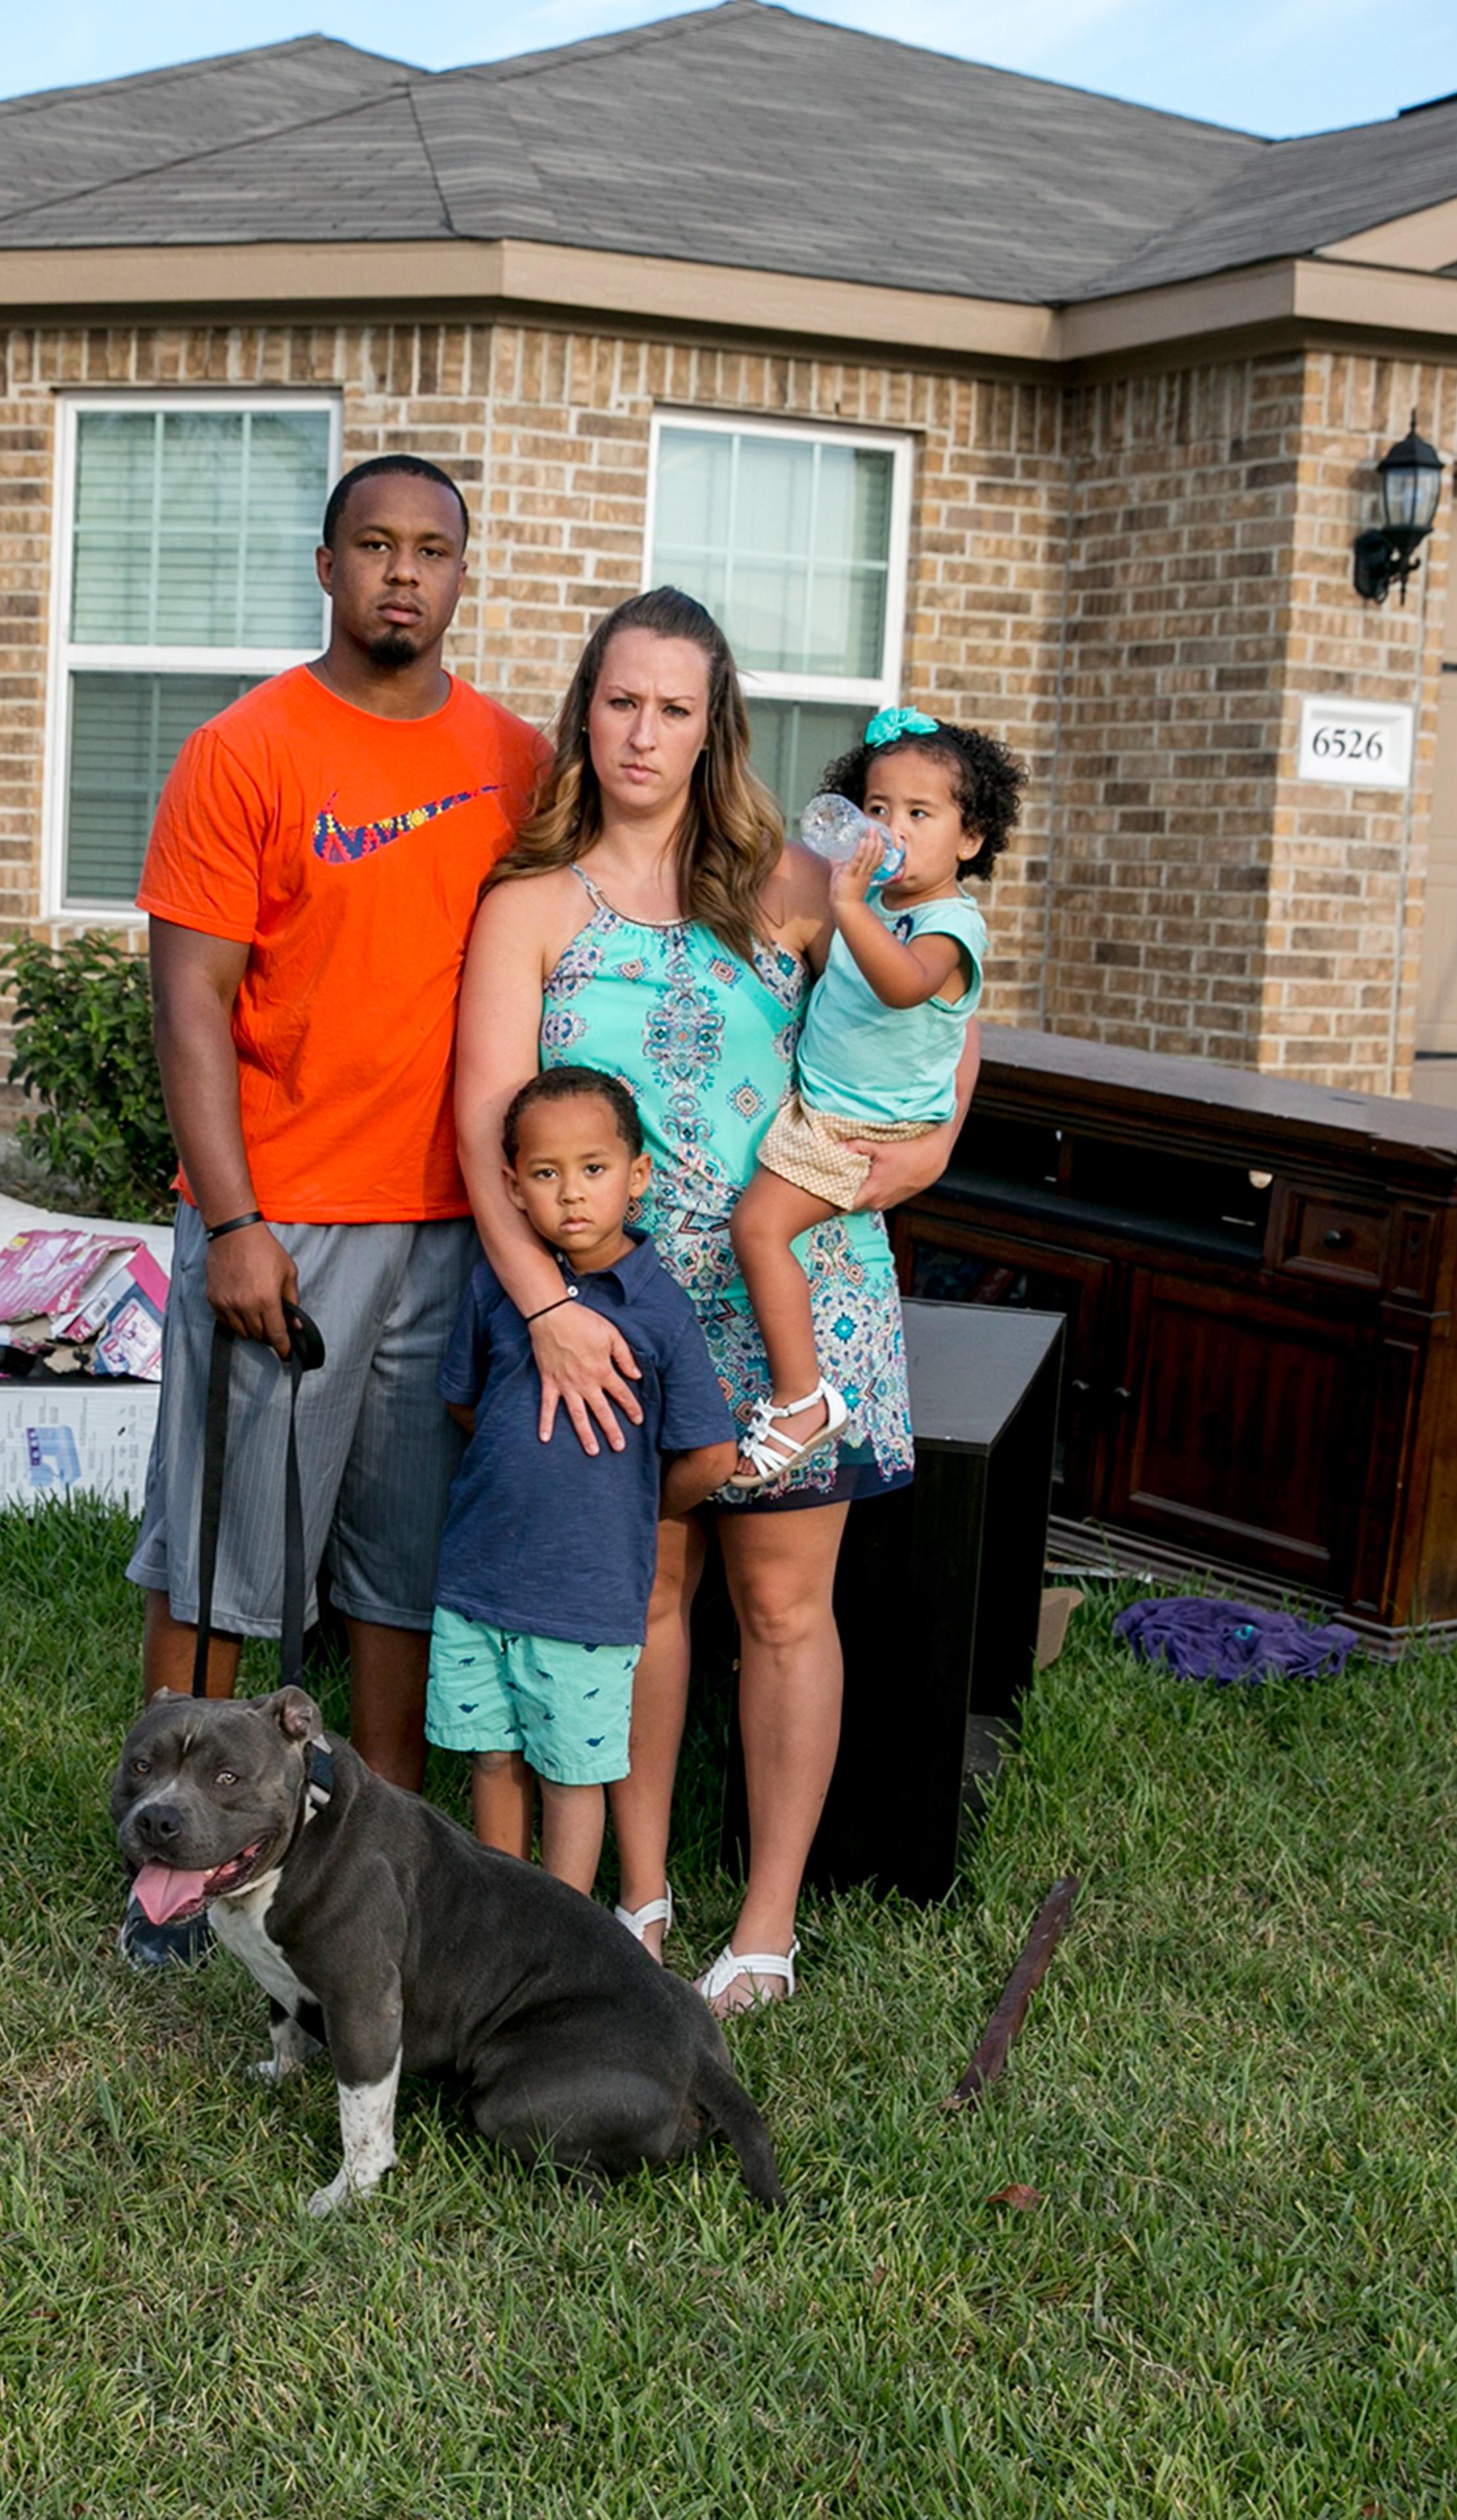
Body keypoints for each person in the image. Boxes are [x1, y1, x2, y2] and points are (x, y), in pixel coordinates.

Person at [453, 586, 975, 2016]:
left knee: (787, 1607)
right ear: (585, 713)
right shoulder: (530, 906)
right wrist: (544, 1309)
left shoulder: (795, 884)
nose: (644, 731)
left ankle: (765, 1928)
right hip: (607, 1317)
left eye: (675, 707)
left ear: (715, 724)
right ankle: (637, 1895)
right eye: (621, 700)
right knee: (639, 1600)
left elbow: (942, 993)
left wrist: (930, 1146)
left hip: (794, 1286)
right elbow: (482, 1129)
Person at [121, 453, 553, 1966]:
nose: (402, 575)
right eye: (374, 544)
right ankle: (167, 1864)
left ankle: (371, 1858)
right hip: (281, 1224)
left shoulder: (517, 759)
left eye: (431, 550)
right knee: (221, 1560)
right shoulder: (245, 751)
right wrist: (232, 1221)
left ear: (458, 573)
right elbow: (188, 1005)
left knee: (397, 1571)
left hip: (452, 1222)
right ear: (324, 564)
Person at [428, 1064, 739, 1893]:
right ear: (512, 1185)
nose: (571, 1195)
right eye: (545, 1174)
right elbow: (465, 1402)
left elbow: (711, 1455)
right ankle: (500, 1913)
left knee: (572, 1770)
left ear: (638, 1177)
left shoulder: (660, 1309)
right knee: (494, 1756)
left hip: (586, 1596)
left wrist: (633, 1506)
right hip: (481, 1577)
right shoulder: (499, 1285)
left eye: (594, 1170)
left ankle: (562, 1933)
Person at [728, 708, 1017, 1486]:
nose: (892, 829)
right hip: (828, 1107)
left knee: (758, 1229)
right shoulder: (880, 908)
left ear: (971, 837)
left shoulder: (949, 925)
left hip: (862, 1128)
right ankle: (799, 1393)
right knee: (761, 1228)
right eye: (879, 809)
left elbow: (902, 988)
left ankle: (802, 1399)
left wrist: (850, 906)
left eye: (920, 814)